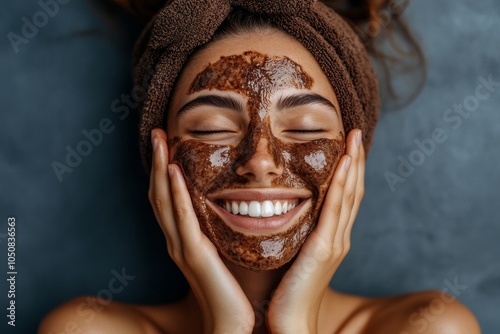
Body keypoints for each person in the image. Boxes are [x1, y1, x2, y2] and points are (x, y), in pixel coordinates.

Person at [39, 1, 481, 333]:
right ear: (160, 153)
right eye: (212, 129)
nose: (260, 162)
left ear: (356, 155)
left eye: (306, 129)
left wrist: (295, 325)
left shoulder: (430, 327)